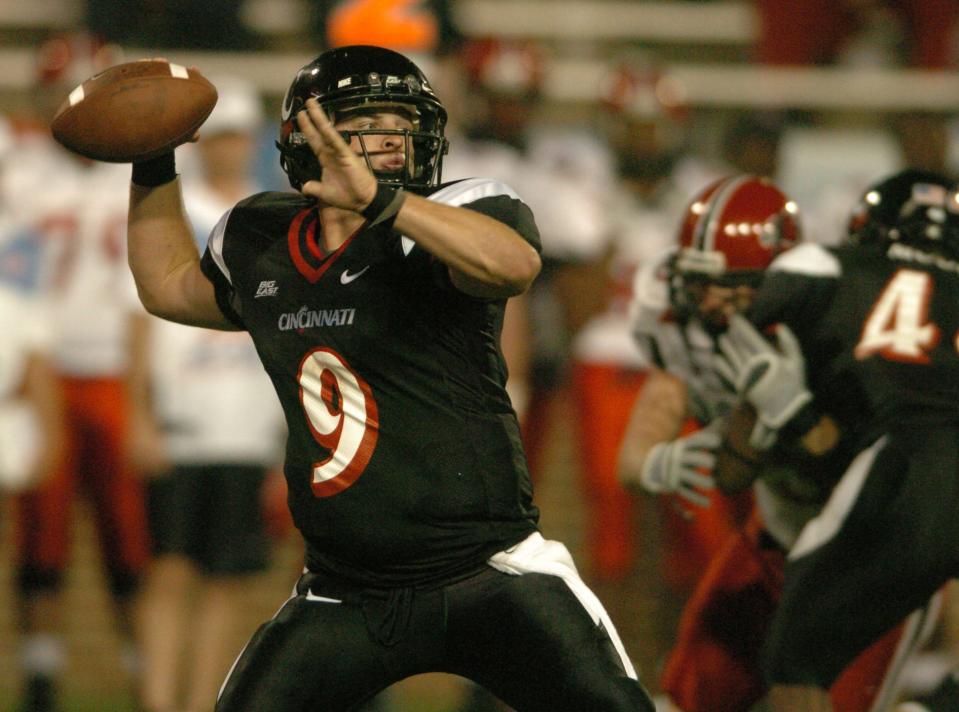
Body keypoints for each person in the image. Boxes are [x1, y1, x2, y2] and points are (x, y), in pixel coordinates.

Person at [123, 45, 654, 711]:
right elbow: (168, 288)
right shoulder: (260, 236)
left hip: (488, 570)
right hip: (344, 588)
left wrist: (382, 202)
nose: (394, 136)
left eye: (402, 120)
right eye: (369, 120)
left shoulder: (459, 209)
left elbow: (511, 265)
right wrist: (152, 164)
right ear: (309, 136)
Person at [637, 171, 941, 712]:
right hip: (769, 545)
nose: (709, 303)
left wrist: (797, 419)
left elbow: (882, 487)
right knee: (680, 703)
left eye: (726, 284)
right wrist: (674, 456)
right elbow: (730, 474)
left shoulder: (849, 331)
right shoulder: (715, 329)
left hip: (862, 572)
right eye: (698, 283)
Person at [126, 77, 288, 712]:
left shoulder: (268, 213)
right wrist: (138, 412)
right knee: (168, 571)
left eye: (236, 137)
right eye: (217, 136)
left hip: (248, 421)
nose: (226, 149)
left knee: (226, 578)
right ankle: (158, 700)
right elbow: (135, 313)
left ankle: (200, 703)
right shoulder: (176, 208)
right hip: (182, 415)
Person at [4, 33, 150, 712]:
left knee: (129, 529)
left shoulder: (143, 167)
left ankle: (142, 667)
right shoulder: (19, 165)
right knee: (42, 528)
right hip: (41, 367)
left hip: (115, 368)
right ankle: (41, 672)